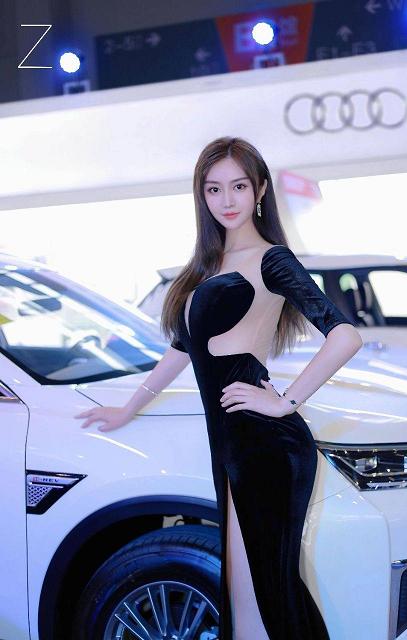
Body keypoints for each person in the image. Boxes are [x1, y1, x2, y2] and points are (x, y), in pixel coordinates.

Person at [75, 136, 363, 639]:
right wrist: (129, 407)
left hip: (266, 444)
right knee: (244, 591)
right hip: (232, 442)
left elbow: (345, 335)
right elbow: (184, 347)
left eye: (238, 186)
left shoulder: (272, 259)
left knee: (268, 589)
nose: (226, 200)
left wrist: (284, 401)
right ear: (201, 195)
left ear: (261, 190)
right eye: (213, 189)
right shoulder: (208, 265)